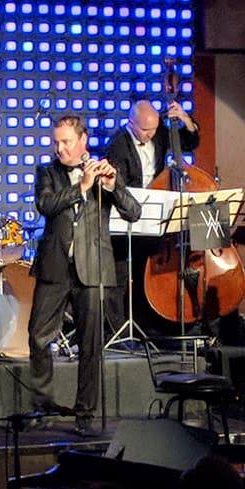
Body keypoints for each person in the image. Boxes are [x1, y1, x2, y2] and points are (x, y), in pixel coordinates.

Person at [28, 115, 141, 435]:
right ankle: (42, 407)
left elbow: (133, 212)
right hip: (55, 267)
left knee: (91, 345)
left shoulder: (104, 170)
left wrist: (112, 186)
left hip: (93, 268)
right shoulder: (47, 172)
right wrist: (81, 187)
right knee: (38, 337)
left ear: (83, 140)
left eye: (66, 141)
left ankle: (85, 414)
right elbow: (46, 205)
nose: (59, 148)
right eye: (56, 142)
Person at [103, 99, 199, 333]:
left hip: (155, 214)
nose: (151, 135)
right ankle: (118, 328)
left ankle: (153, 325)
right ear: (131, 124)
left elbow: (190, 142)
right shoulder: (117, 144)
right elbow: (119, 186)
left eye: (154, 129)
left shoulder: (159, 132)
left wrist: (185, 120)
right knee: (123, 273)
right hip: (128, 213)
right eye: (146, 130)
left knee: (149, 272)